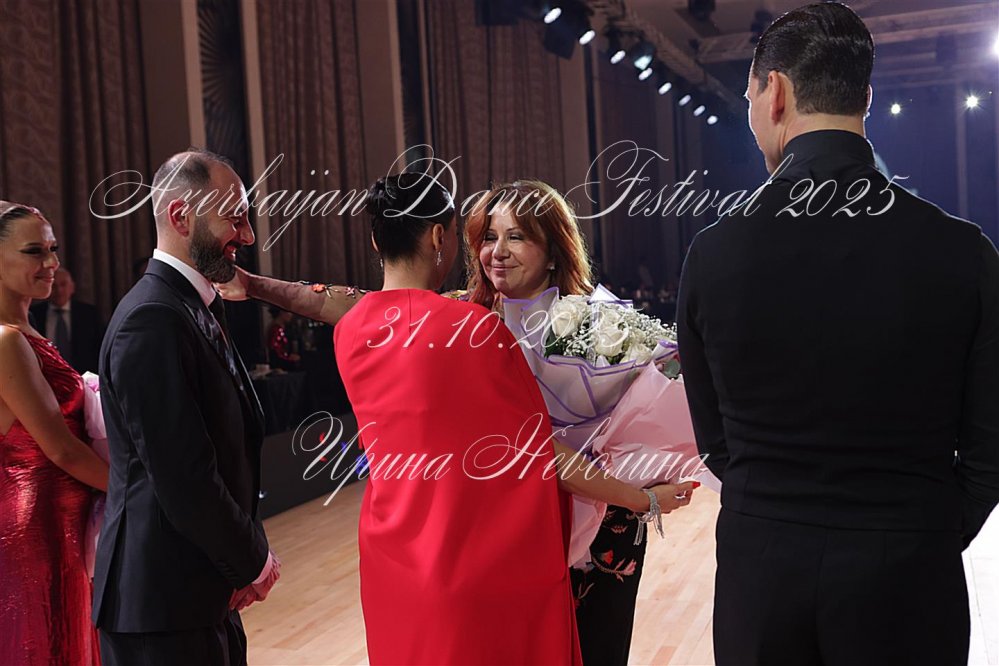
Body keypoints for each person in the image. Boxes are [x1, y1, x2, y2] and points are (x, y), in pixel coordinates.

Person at [676, 4, 999, 665]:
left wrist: (771, 512)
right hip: (909, 568)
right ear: (865, 98)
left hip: (761, 572)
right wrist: (923, 533)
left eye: (748, 97)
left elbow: (713, 439)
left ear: (775, 93)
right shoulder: (964, 253)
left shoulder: (713, 253)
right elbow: (989, 450)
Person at [464, 179, 688, 666]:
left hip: (604, 515)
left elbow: (657, 399)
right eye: (489, 237)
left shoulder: (601, 321)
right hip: (506, 524)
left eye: (517, 236)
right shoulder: (463, 321)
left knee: (597, 650)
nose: (497, 252)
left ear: (553, 251)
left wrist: (648, 476)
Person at [93, 150, 280, 666]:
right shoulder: (151, 318)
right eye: (235, 218)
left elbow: (225, 453)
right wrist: (251, 559)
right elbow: (184, 475)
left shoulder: (188, 304)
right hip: (160, 604)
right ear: (181, 217)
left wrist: (239, 558)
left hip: (197, 592)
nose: (247, 236)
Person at [0, 201, 109, 665]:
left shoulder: (24, 331)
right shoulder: (6, 340)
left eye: (53, 248)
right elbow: (62, 450)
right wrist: (138, 491)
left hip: (63, 517)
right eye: (34, 251)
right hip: (38, 525)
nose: (51, 263)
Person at [29, 267, 105, 374]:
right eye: (54, 286)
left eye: (63, 285)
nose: (59, 290)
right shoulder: (34, 314)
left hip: (83, 376)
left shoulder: (89, 314)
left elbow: (99, 350)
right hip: (44, 376)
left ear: (72, 287)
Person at [265, 306, 300, 371]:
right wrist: (289, 358)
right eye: (289, 312)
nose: (291, 315)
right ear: (282, 312)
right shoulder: (276, 329)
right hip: (280, 367)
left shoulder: (284, 328)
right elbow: (275, 352)